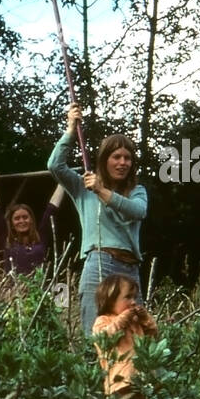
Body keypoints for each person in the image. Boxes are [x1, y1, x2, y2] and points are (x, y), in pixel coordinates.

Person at [48, 103, 148, 337]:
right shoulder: (83, 186)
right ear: (105, 159)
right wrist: (71, 130)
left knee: (136, 335)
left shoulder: (137, 190)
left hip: (130, 268)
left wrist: (102, 191)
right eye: (116, 157)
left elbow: (137, 211)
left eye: (128, 158)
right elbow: (55, 166)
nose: (123, 163)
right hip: (99, 262)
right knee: (94, 332)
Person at [91, 274, 158, 399]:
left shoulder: (134, 321)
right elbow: (104, 338)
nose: (133, 302)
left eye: (135, 297)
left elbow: (153, 334)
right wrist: (122, 319)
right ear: (110, 299)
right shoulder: (103, 321)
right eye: (127, 297)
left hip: (139, 377)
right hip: (118, 381)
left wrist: (145, 318)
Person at [0, 173, 67, 275]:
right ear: (12, 223)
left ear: (31, 220)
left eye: (25, 217)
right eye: (17, 218)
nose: (22, 221)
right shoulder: (6, 239)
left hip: (38, 289)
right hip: (12, 290)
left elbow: (52, 208)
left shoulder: (41, 237)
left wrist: (63, 178)